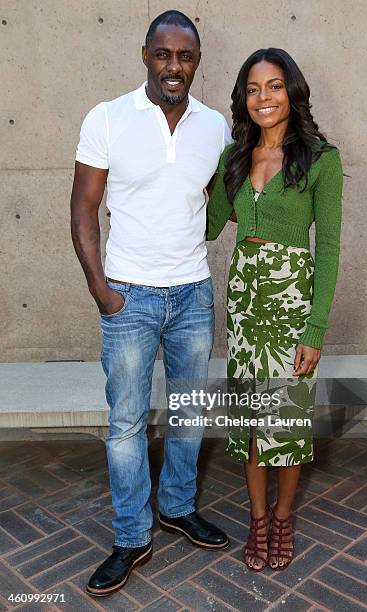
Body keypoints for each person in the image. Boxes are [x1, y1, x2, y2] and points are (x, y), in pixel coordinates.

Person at [70, 10, 231, 597]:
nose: (174, 66)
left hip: (192, 292)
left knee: (189, 411)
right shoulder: (108, 118)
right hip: (128, 298)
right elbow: (84, 208)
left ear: (196, 61)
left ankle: (177, 507)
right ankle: (132, 535)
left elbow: (223, 197)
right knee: (126, 424)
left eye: (185, 56)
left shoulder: (216, 127)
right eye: (163, 54)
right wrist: (101, 290)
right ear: (145, 55)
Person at [206, 48, 343, 572]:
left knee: (285, 417)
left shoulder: (321, 160)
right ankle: (257, 518)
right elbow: (209, 224)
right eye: (254, 88)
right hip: (245, 305)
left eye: (275, 86)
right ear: (244, 97)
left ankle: (284, 516)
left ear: (293, 92)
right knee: (251, 421)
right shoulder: (233, 159)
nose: (264, 98)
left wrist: (316, 327)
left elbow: (327, 248)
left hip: (292, 305)